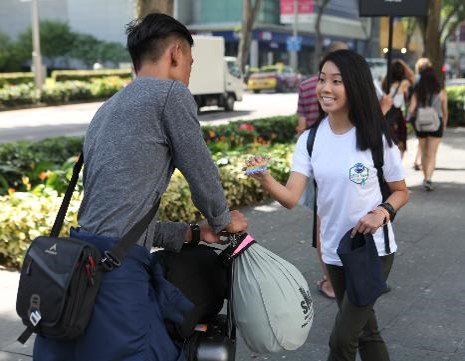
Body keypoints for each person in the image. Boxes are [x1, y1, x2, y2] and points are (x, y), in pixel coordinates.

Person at [33, 13, 248, 361]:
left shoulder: (108, 109)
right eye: (190, 63)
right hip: (115, 278)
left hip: (80, 266)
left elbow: (117, 216)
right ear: (176, 53)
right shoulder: (170, 94)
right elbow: (202, 172)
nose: (189, 74)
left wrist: (193, 232)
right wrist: (224, 221)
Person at [246, 49, 409, 361]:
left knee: (341, 340)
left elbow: (401, 191)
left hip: (372, 249)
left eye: (337, 81)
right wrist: (265, 179)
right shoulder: (310, 139)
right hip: (334, 251)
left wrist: (382, 212)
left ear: (355, 86)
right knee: (366, 332)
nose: (325, 88)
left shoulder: (375, 136)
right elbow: (292, 197)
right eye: (322, 79)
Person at [408, 66, 448, 191]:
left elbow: (410, 110)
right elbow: (445, 111)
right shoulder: (441, 92)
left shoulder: (417, 92)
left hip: (421, 124)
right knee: (432, 153)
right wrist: (444, 124)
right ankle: (429, 179)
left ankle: (425, 177)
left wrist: (414, 118)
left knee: (424, 152)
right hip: (436, 124)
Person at [381, 59, 415, 158]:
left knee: (389, 143)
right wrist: (403, 63)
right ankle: (397, 165)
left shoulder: (385, 83)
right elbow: (413, 76)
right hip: (397, 116)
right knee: (400, 143)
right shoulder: (404, 83)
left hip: (386, 115)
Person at [411, 57, 433, 170]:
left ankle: (417, 160)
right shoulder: (435, 82)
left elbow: (413, 102)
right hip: (433, 116)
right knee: (427, 143)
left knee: (420, 139)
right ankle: (421, 161)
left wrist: (409, 114)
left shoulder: (416, 80)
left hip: (418, 115)